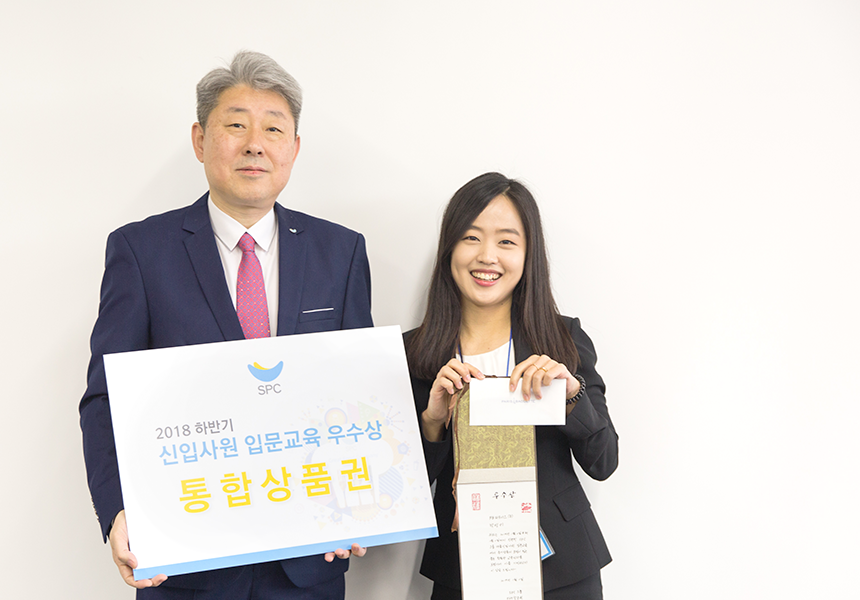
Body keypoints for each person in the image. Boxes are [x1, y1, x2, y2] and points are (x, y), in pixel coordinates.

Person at [80, 50, 371, 600]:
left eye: (273, 129)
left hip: (309, 563)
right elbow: (105, 398)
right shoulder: (141, 252)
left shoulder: (341, 252)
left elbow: (358, 393)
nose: (255, 144)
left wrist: (363, 501)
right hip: (184, 563)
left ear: (294, 148)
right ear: (199, 140)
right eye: (236, 125)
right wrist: (118, 511)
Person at [404, 172, 618, 599]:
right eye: (471, 238)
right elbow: (401, 490)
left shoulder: (562, 339)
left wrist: (570, 394)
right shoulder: (414, 352)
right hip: (461, 568)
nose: (487, 256)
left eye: (506, 241)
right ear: (449, 248)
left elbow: (604, 461)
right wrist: (431, 423)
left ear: (528, 254)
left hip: (562, 567)